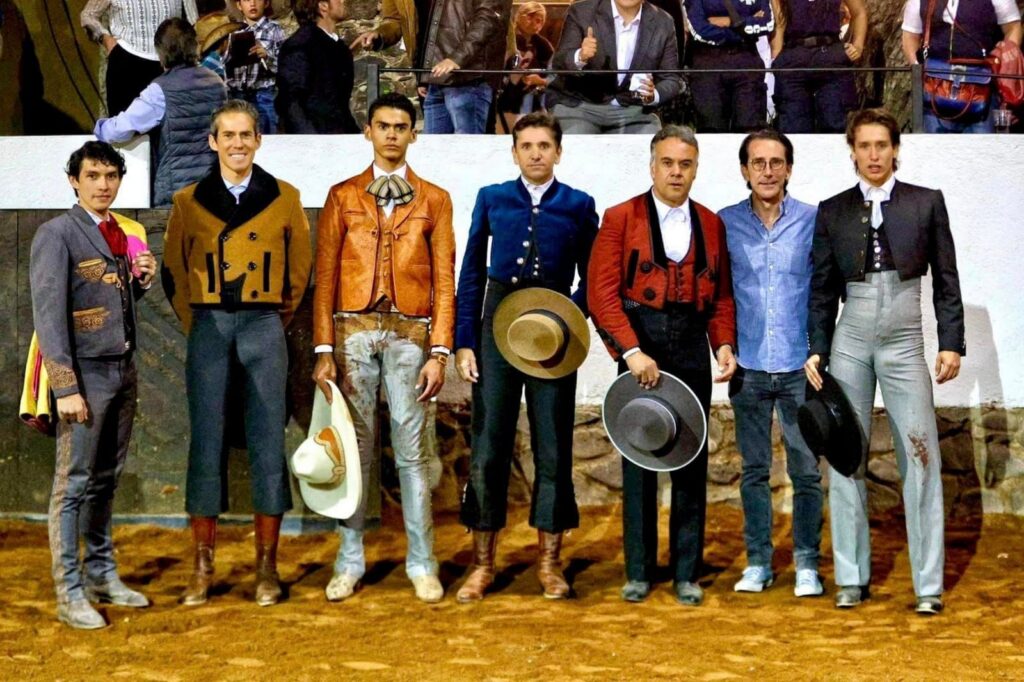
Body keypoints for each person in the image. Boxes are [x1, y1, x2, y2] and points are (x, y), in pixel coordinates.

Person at [805, 108, 965, 615]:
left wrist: (951, 342)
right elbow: (822, 289)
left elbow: (946, 279)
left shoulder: (925, 201)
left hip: (904, 336)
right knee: (845, 453)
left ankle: (927, 586)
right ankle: (851, 577)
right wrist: (817, 347)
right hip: (850, 337)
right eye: (864, 146)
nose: (873, 155)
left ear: (895, 149)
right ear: (852, 151)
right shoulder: (833, 210)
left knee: (920, 454)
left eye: (882, 145)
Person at [162, 99, 312, 608]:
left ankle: (266, 566)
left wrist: (268, 321)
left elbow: (298, 273)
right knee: (206, 441)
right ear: (213, 142)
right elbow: (174, 273)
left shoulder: (285, 197)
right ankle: (202, 566)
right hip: (208, 325)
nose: (237, 143)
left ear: (258, 140)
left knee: (269, 440)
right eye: (228, 135)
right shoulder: (188, 201)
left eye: (246, 134)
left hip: (263, 324)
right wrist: (201, 324)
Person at [311, 93, 456, 604]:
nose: (392, 134)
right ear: (368, 132)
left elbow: (445, 281)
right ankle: (349, 560)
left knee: (413, 452)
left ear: (414, 133)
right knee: (354, 451)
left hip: (410, 331)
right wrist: (323, 347)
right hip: (351, 328)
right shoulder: (342, 195)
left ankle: (422, 561)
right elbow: (325, 275)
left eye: (400, 126)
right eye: (383, 125)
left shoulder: (435, 199)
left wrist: (440, 351)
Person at [587, 125, 737, 605]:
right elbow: (601, 294)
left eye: (685, 164)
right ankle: (638, 570)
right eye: (668, 163)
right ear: (652, 167)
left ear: (696, 169)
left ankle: (686, 573)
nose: (676, 172)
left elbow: (721, 295)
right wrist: (631, 351)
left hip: (691, 345)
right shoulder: (620, 217)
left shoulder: (711, 223)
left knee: (691, 457)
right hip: (641, 343)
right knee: (639, 457)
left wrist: (723, 345)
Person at [453, 112, 599, 602]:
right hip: (497, 323)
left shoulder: (578, 204)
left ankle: (550, 563)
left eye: (544, 145)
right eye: (527, 146)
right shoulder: (492, 198)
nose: (536, 154)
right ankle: (482, 564)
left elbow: (594, 276)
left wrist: (565, 318)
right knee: (488, 442)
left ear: (559, 152)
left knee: (552, 444)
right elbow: (471, 272)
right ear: (514, 152)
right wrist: (465, 340)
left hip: (553, 329)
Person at [30, 141, 158, 629]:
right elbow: (49, 317)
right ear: (74, 181)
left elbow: (109, 304)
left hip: (122, 368)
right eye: (93, 176)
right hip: (84, 375)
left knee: (105, 478)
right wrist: (66, 387)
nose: (103, 185)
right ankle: (70, 592)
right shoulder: (57, 233)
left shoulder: (119, 231)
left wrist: (140, 283)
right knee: (73, 484)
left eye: (111, 176)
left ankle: (102, 575)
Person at [718, 129, 823, 598]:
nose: (767, 171)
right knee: (754, 472)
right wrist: (722, 346)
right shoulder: (723, 224)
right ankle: (759, 561)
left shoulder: (812, 221)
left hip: (800, 368)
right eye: (758, 163)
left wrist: (820, 348)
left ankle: (807, 564)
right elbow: (719, 294)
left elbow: (824, 292)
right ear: (745, 170)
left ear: (789, 169)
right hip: (749, 366)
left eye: (776, 162)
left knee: (806, 471)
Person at [94, 17, 227, 208]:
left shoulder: (160, 90)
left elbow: (120, 129)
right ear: (195, 45)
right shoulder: (216, 82)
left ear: (160, 52)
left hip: (176, 195)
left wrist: (100, 127)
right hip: (214, 190)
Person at [547, 0, 683, 134]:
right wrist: (580, 56)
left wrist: (652, 95)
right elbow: (559, 62)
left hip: (633, 109)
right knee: (576, 143)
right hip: (580, 105)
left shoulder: (663, 22)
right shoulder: (581, 12)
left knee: (650, 143)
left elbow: (671, 78)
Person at [901, 0, 1021, 133]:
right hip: (935, 90)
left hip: (984, 89)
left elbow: (1013, 27)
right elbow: (910, 36)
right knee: (936, 145)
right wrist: (918, 70)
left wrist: (1005, 60)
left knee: (984, 146)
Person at [81, 0, 199, 117]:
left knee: (173, 123)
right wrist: (107, 41)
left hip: (170, 65)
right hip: (126, 65)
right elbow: (88, 15)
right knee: (124, 125)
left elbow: (194, 22)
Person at [417, 0, 513, 134]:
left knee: (467, 145)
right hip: (439, 78)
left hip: (470, 77)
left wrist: (457, 58)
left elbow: (487, 19)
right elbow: (433, 25)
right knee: (432, 145)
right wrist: (424, 75)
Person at [772, 0, 866, 133]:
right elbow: (780, 22)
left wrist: (858, 45)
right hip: (794, 57)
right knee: (793, 126)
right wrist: (777, 58)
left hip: (831, 55)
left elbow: (859, 12)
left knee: (836, 123)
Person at [684, 0, 774, 132]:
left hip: (747, 62)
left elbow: (767, 24)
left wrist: (729, 21)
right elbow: (699, 31)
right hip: (708, 66)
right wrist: (745, 27)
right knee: (711, 131)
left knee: (751, 130)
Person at [276, 0, 358, 134]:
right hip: (314, 136)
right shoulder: (301, 45)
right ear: (323, 6)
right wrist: (311, 141)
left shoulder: (339, 47)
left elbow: (340, 104)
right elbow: (291, 102)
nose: (343, 1)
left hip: (338, 136)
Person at [224, 0, 285, 133]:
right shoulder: (231, 31)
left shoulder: (275, 29)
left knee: (267, 136)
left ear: (266, 3)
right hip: (237, 94)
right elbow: (223, 64)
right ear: (239, 5)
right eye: (247, 0)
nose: (252, 3)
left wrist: (266, 56)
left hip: (263, 94)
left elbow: (284, 66)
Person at [496, 3, 555, 131]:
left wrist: (540, 81)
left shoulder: (542, 45)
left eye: (539, 20)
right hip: (505, 96)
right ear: (519, 16)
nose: (534, 23)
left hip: (535, 96)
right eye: (529, 17)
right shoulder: (506, 38)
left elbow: (554, 72)